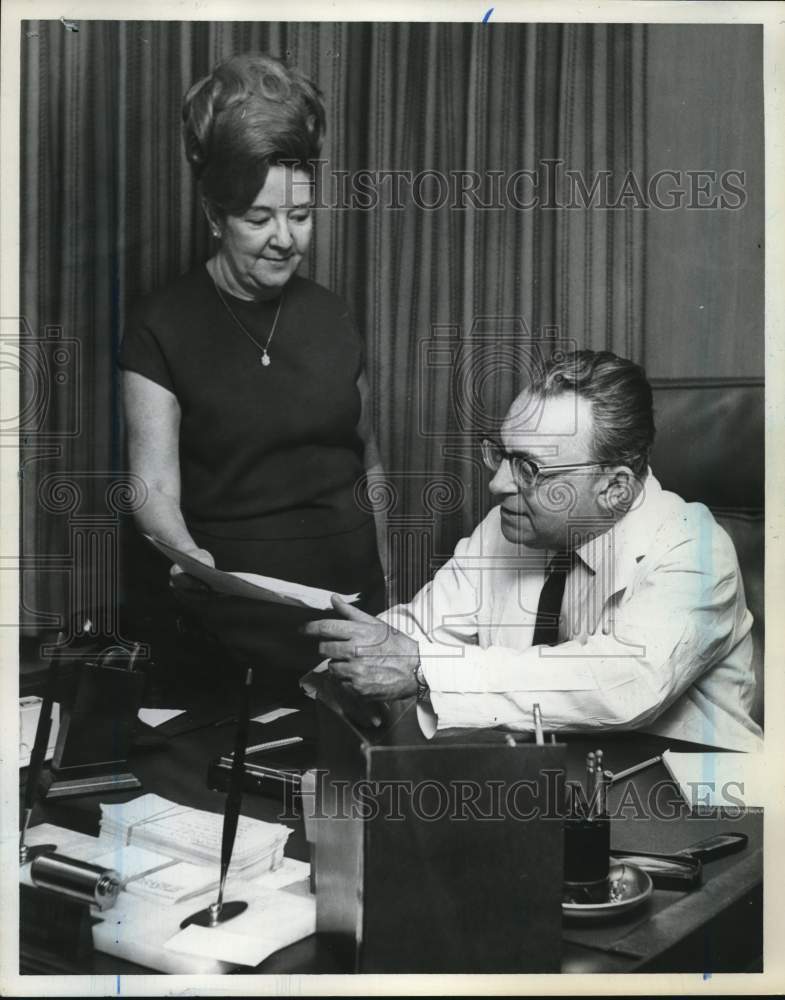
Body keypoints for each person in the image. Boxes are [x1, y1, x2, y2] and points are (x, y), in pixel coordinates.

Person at [304, 349, 763, 752]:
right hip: (548, 789)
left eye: (529, 468)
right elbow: (422, 629)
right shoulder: (513, 526)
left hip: (695, 810)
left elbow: (621, 684)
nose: (499, 483)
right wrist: (350, 663)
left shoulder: (694, 550)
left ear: (614, 487)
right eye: (503, 456)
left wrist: (423, 668)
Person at [120, 53, 386, 697]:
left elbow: (368, 465)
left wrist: (390, 602)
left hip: (347, 624)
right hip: (226, 627)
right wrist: (193, 561)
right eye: (259, 219)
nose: (285, 239)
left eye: (299, 216)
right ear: (216, 217)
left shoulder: (334, 316)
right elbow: (150, 487)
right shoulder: (161, 325)